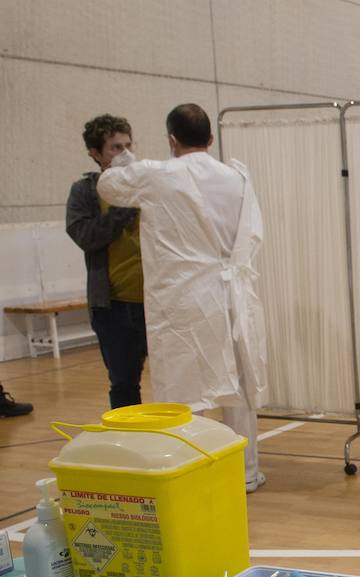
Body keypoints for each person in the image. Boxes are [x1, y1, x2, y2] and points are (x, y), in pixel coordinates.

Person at [97, 103, 269, 493]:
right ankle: (245, 472)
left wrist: (124, 158)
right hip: (233, 296)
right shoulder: (237, 177)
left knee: (185, 390)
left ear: (172, 140)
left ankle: (192, 472)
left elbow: (109, 186)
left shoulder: (158, 175)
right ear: (210, 138)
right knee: (239, 389)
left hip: (185, 297)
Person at [66, 114, 147, 410]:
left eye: (128, 145)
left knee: (172, 377)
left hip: (158, 299)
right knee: (124, 383)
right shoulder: (84, 191)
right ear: (96, 154)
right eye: (115, 148)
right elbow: (85, 236)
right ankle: (129, 435)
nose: (125, 154)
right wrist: (122, 209)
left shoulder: (147, 185)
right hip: (114, 306)